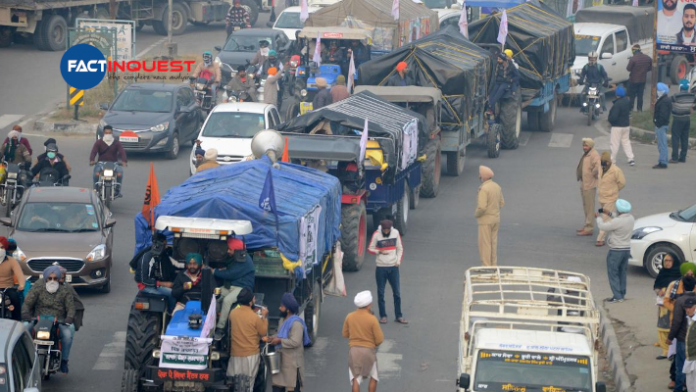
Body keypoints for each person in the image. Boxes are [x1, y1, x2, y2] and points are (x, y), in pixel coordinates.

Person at [22, 266, 76, 374]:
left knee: (67, 335)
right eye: (49, 278)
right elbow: (28, 302)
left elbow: (71, 307)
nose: (52, 281)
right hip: (38, 318)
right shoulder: (38, 286)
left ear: (59, 279)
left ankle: (64, 361)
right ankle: (24, 359)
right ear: (45, 278)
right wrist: (25, 313)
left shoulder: (65, 290)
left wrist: (69, 317)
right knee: (23, 330)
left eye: (55, 278)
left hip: (58, 320)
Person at [264, 293, 310, 392]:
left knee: (292, 388)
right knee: (277, 387)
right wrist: (273, 338)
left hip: (292, 365)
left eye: (282, 306)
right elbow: (280, 334)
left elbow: (295, 342)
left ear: (288, 309)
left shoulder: (296, 324)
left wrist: (279, 340)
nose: (279, 308)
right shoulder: (282, 320)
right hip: (281, 362)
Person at [367, 217, 406, 325]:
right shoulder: (376, 234)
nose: (386, 232)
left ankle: (399, 315)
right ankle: (383, 316)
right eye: (384, 230)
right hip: (381, 267)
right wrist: (379, 251)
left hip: (393, 267)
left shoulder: (395, 233)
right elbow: (370, 248)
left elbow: (400, 248)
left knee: (397, 293)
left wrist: (398, 261)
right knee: (381, 292)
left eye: (388, 230)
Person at [228, 288, 269, 392]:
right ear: (251, 301)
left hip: (235, 354)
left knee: (237, 383)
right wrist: (264, 316)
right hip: (251, 355)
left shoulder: (233, 313)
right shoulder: (254, 317)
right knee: (248, 384)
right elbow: (263, 332)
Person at [342, 291, 384, 392]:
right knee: (374, 377)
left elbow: (345, 334)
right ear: (369, 305)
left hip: (354, 352)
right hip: (368, 351)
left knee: (356, 379)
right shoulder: (372, 319)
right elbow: (379, 339)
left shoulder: (350, 316)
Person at [596, 199, 635, 303]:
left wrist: (598, 218)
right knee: (622, 272)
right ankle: (621, 293)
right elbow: (618, 218)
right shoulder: (630, 218)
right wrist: (607, 213)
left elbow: (603, 226)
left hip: (616, 250)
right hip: (626, 250)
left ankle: (617, 296)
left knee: (613, 273)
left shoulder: (617, 221)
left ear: (619, 209)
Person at [214, 237, 256, 331]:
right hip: (231, 286)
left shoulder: (245, 260)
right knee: (214, 296)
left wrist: (215, 271)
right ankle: (212, 322)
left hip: (243, 288)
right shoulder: (236, 257)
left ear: (236, 250)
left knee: (227, 300)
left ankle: (220, 327)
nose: (228, 251)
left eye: (230, 249)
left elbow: (231, 274)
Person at [132, 233, 177, 312]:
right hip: (147, 287)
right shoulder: (147, 258)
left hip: (155, 284)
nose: (166, 246)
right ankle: (171, 313)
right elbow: (144, 280)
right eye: (165, 244)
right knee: (172, 293)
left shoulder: (161, 255)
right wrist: (164, 284)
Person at [668, 276, 696, 392]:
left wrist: (670, 337)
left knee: (681, 367)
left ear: (682, 286)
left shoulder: (680, 301)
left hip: (682, 340)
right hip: (690, 342)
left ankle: (679, 389)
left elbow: (676, 322)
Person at [475, 165, 504, 266]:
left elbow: (482, 207)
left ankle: (486, 265)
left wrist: (477, 214)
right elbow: (502, 203)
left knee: (485, 244)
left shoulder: (483, 189)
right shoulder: (497, 186)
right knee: (493, 243)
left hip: (485, 220)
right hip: (496, 219)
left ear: (483, 176)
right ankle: (493, 265)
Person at [596, 151, 626, 247]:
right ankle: (617, 231)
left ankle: (600, 239)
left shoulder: (616, 170)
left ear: (609, 162)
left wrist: (614, 190)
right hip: (601, 197)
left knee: (605, 218)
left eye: (604, 162)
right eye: (602, 161)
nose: (603, 164)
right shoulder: (600, 168)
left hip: (611, 198)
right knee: (610, 217)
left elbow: (622, 183)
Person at [655, 254, 682, 360]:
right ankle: (665, 350)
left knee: (673, 328)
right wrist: (659, 291)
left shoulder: (678, 275)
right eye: (665, 260)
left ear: (674, 261)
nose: (667, 263)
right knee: (662, 327)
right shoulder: (662, 273)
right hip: (662, 306)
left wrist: (668, 291)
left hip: (674, 306)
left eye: (670, 260)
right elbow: (656, 286)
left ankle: (673, 352)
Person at [90, 125, 127, 194]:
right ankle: (95, 189)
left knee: (120, 173)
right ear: (104, 133)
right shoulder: (99, 142)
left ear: (112, 133)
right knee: (96, 173)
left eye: (109, 133)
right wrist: (92, 160)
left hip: (114, 163)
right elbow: (93, 151)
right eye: (106, 133)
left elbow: (122, 151)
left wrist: (124, 161)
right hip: (101, 163)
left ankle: (117, 190)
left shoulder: (116, 142)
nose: (108, 134)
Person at [577, 138, 601, 237]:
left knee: (589, 207)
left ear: (590, 146)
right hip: (584, 183)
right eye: (583, 146)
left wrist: (592, 175)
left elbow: (597, 168)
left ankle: (589, 228)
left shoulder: (594, 155)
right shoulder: (587, 153)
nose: (584, 147)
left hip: (589, 184)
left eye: (586, 146)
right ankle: (587, 224)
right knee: (586, 206)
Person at [608, 86, 635, 166]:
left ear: (617, 94)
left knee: (615, 144)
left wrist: (610, 120)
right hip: (626, 126)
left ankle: (612, 160)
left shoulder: (617, 104)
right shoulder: (627, 102)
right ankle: (631, 159)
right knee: (626, 142)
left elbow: (613, 117)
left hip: (617, 126)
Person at [0, 236, 25, 321]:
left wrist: (21, 285)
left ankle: (17, 321)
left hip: (8, 287)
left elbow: (20, 274)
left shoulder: (12, 261)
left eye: (2, 247)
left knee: (15, 298)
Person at [670, 79, 695, 163]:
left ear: (680, 87)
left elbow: (669, 103)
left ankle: (674, 157)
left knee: (675, 138)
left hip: (677, 119)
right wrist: (692, 109)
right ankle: (683, 157)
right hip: (687, 119)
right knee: (685, 138)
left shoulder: (676, 96)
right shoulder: (692, 96)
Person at [626, 44, 652, 111]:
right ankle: (639, 110)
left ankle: (630, 110)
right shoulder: (647, 58)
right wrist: (645, 70)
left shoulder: (633, 59)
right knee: (640, 96)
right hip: (642, 80)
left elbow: (628, 69)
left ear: (635, 51)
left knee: (632, 96)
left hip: (633, 80)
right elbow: (651, 67)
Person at [653, 82, 672, 169]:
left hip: (661, 125)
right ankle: (663, 160)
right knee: (661, 144)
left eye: (658, 90)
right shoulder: (664, 99)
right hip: (662, 124)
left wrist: (658, 123)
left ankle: (663, 162)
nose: (657, 91)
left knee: (662, 144)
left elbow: (663, 115)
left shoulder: (663, 101)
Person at [682, 298, 696, 391]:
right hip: (689, 357)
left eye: (690, 307)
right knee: (690, 385)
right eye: (686, 308)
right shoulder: (687, 318)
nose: (687, 310)